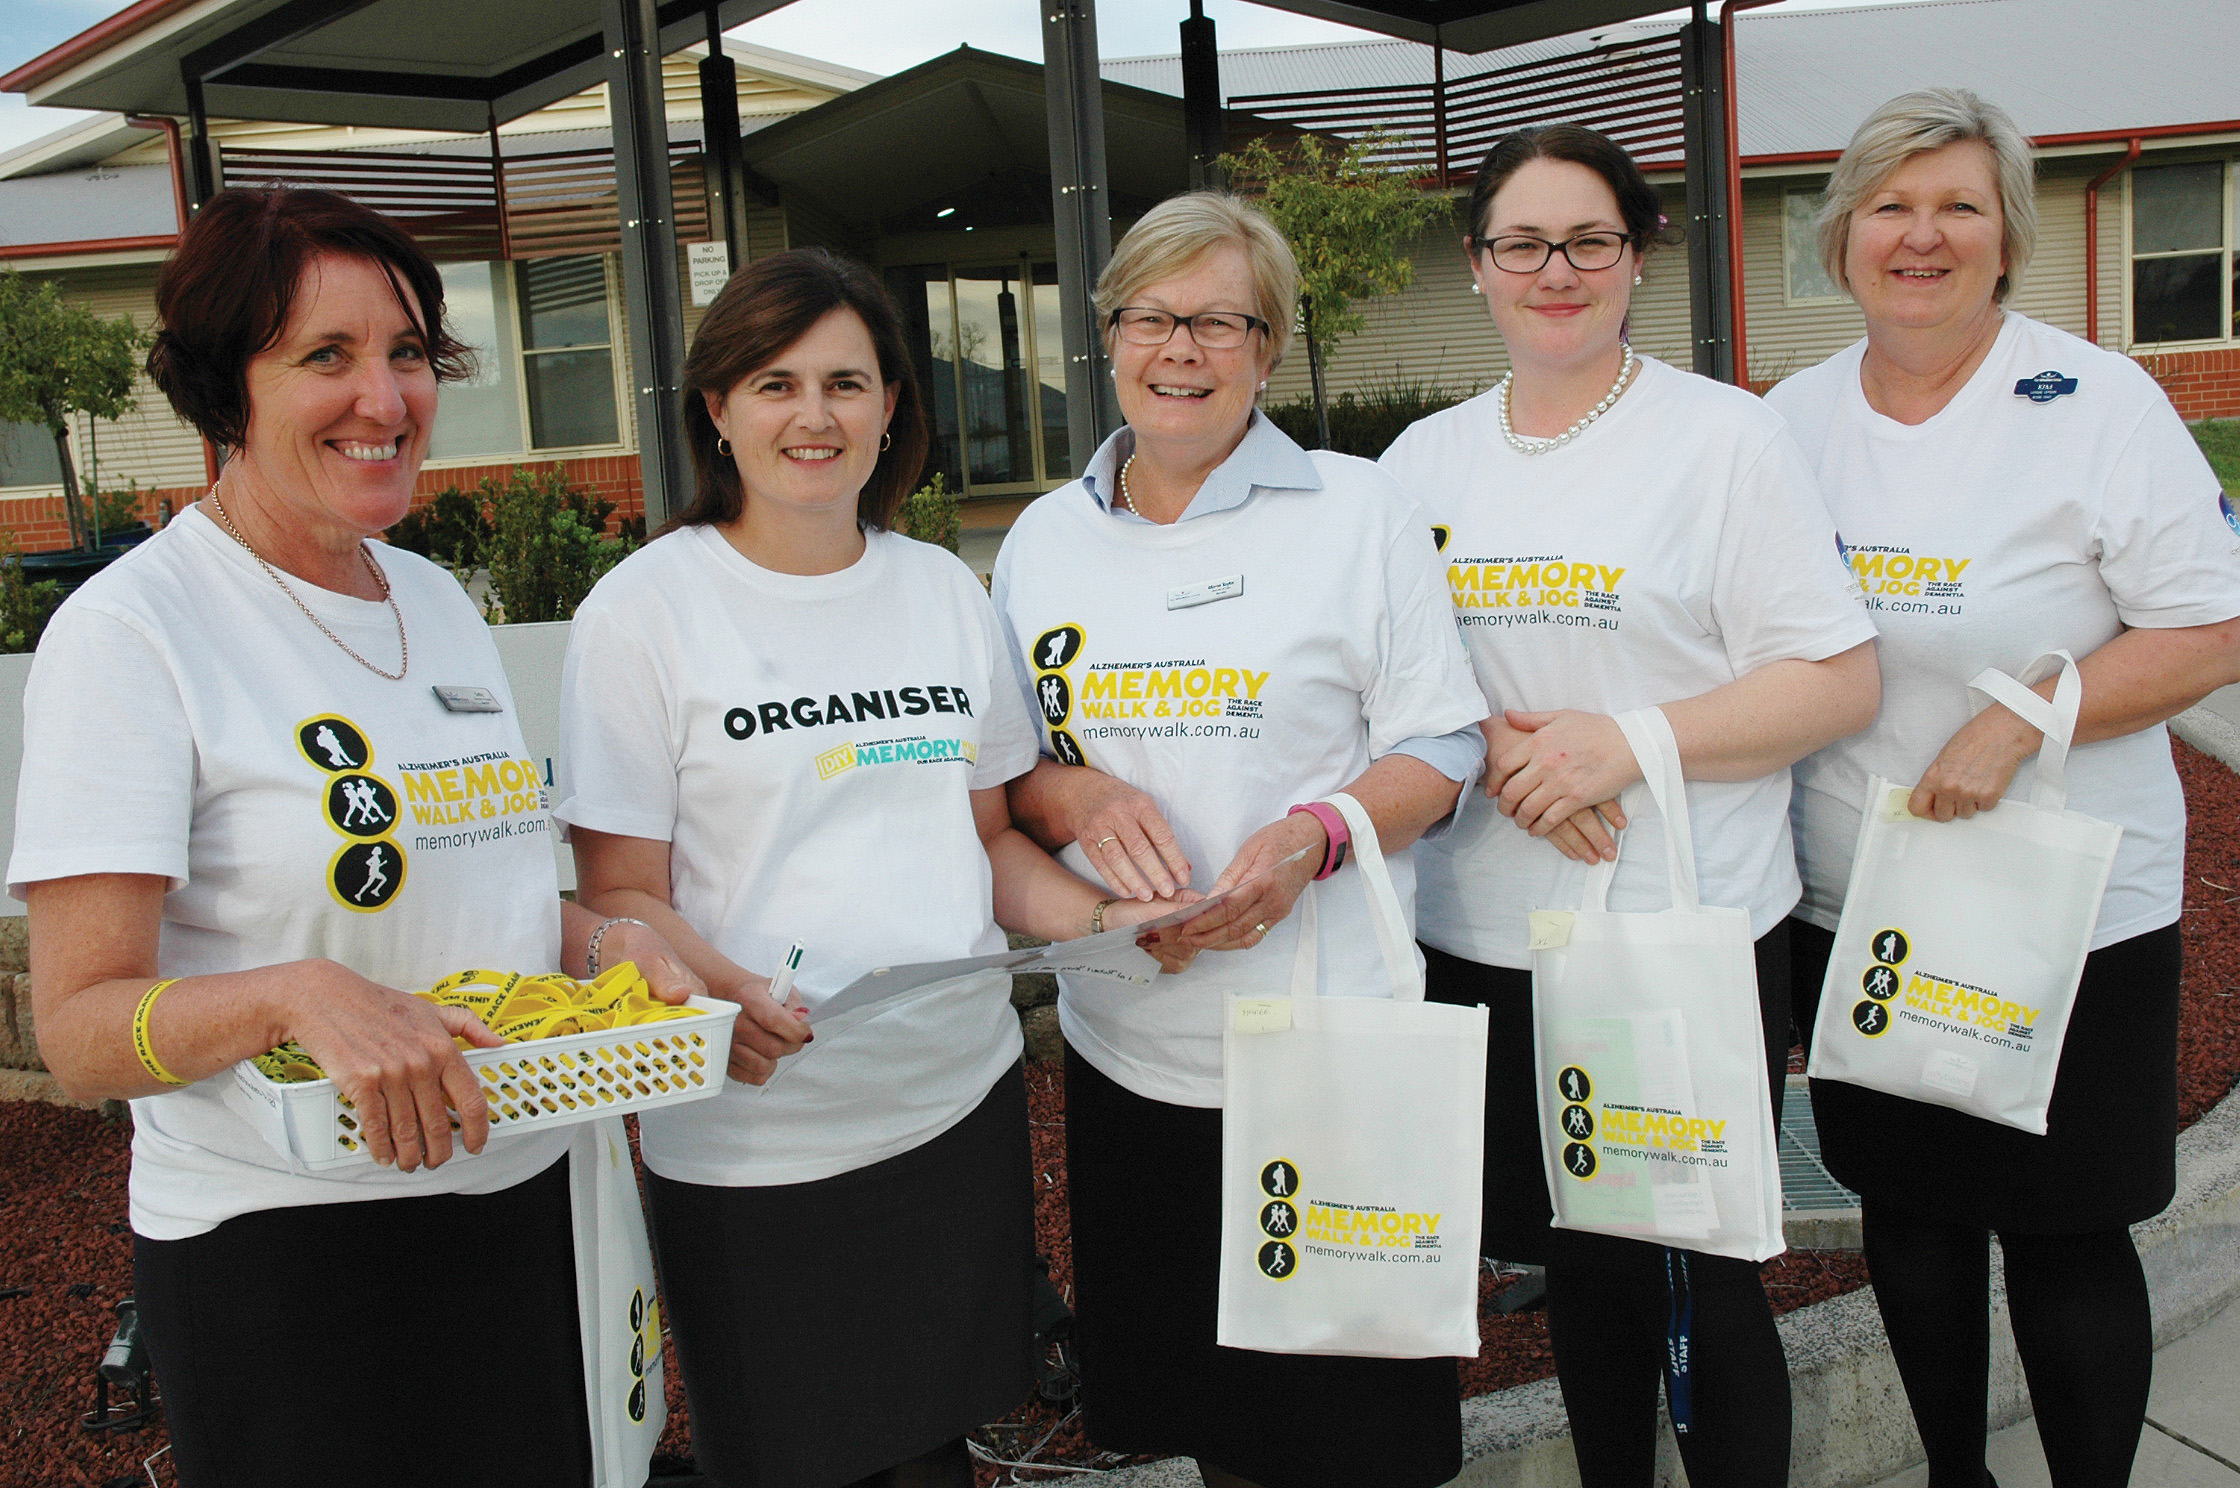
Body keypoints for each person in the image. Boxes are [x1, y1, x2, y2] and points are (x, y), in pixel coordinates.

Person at [7, 187, 703, 1488]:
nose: (384, 399)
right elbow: (80, 1026)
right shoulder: (132, 634)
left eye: (404, 354)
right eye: (325, 357)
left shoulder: (435, 599)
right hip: (289, 1252)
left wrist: (612, 941)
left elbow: (482, 896)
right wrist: (296, 995)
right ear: (228, 388)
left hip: (525, 1200)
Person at [556, 247, 1180, 1488]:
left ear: (892, 404)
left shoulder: (939, 591)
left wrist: (1112, 918)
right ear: (717, 408)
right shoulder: (643, 612)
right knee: (795, 1459)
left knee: (936, 1456)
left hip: (951, 1111)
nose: (813, 415)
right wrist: (714, 988)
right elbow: (617, 892)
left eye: (846, 381)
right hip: (756, 1141)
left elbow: (990, 837)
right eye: (775, 382)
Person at [1377, 124, 1880, 1487]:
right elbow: (1393, 678)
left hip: (1680, 933)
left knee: (1701, 1280)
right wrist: (1502, 748)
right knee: (1580, 1272)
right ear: (1478, 264)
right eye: (1522, 242)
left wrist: (1625, 744)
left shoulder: (1725, 440)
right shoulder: (1419, 465)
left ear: (1636, 256)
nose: (1557, 269)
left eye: (1588, 239)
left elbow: (1837, 680)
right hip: (1494, 939)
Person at [1772, 88, 2240, 1486]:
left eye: (1959, 205)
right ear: (1845, 234)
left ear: (2008, 238)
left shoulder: (2098, 402)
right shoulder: (1785, 423)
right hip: (1861, 892)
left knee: (2063, 1226)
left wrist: (2033, 713)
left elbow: (2209, 629)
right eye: (1893, 205)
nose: (1923, 235)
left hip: (2067, 903)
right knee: (1911, 1218)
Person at [992, 192, 1491, 1488]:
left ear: (1269, 350)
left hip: (1328, 1048)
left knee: (1356, 1448)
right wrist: (1079, 799)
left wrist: (1313, 837)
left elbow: (1443, 746)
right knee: (1215, 1434)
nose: (1182, 348)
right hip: (1131, 1055)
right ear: (1106, 336)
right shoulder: (1044, 540)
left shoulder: (1355, 511)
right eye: (1152, 316)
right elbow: (1012, 776)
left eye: (1222, 320)